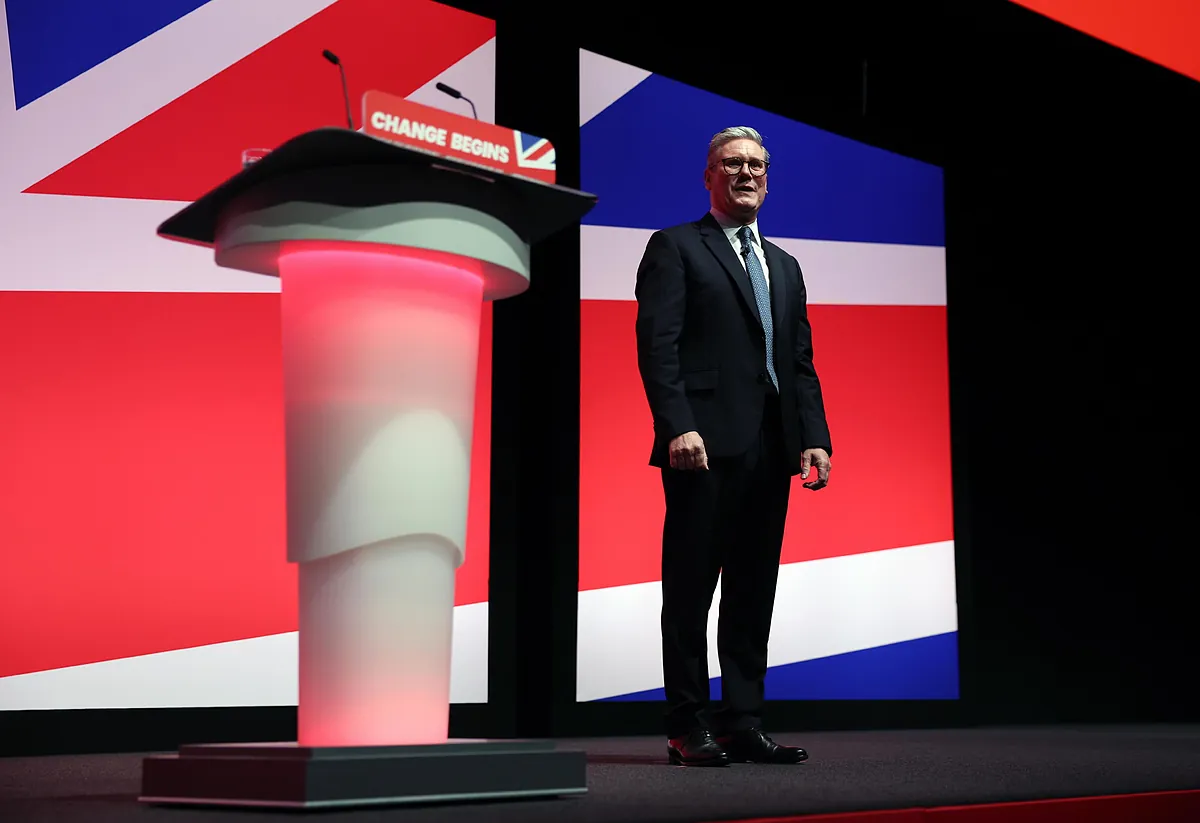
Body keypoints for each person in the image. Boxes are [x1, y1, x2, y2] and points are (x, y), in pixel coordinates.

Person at [634, 126, 833, 767]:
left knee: (753, 590)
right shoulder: (675, 247)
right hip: (702, 446)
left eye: (756, 164)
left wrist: (813, 438)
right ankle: (687, 724)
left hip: (771, 447)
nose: (745, 173)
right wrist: (675, 426)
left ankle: (743, 720)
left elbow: (798, 361)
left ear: (767, 177)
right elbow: (657, 345)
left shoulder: (785, 265)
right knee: (691, 589)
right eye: (731, 164)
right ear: (709, 176)